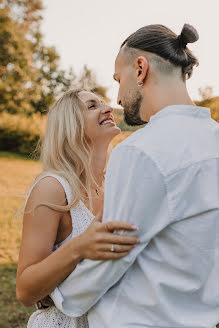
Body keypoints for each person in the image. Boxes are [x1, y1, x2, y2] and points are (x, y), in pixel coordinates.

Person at [50, 24, 219, 328]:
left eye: (118, 79)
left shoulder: (139, 151)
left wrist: (55, 293)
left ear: (140, 69)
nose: (116, 98)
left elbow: (112, 253)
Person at [16, 89, 138, 328]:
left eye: (104, 103)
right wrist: (80, 247)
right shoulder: (53, 188)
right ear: (69, 126)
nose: (108, 108)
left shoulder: (117, 185)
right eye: (92, 106)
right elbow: (25, 290)